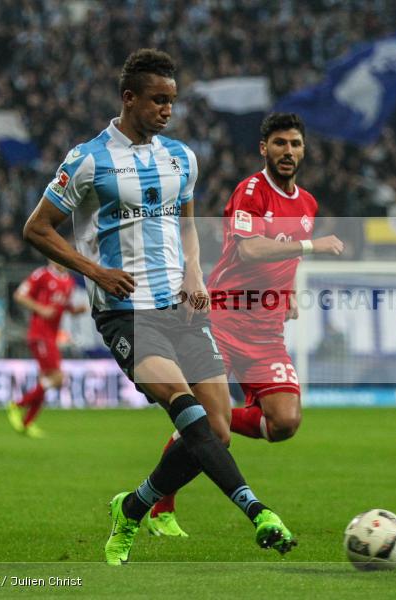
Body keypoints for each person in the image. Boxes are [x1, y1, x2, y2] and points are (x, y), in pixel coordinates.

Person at [22, 48, 296, 565]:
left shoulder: (180, 157)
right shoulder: (88, 159)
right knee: (186, 410)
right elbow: (36, 229)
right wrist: (95, 271)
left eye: (172, 101)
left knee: (216, 431)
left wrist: (195, 274)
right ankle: (257, 510)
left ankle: (132, 507)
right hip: (126, 313)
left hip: (182, 308)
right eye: (158, 100)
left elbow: (187, 223)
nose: (167, 110)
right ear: (129, 99)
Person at [145, 113, 344, 537]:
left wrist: (287, 292)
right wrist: (313, 245)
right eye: (279, 143)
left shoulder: (307, 203)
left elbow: (283, 256)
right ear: (264, 149)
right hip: (223, 318)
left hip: (266, 329)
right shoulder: (250, 191)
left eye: (294, 144)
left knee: (284, 422)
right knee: (213, 433)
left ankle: (197, 421)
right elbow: (251, 250)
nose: (287, 151)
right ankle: (161, 508)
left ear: (304, 150)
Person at [6, 260, 87, 438]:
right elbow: (19, 295)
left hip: (51, 335)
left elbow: (61, 306)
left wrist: (74, 311)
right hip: (39, 334)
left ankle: (27, 424)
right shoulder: (42, 274)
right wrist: (41, 309)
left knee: (46, 380)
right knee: (57, 378)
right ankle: (17, 404)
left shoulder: (69, 281)